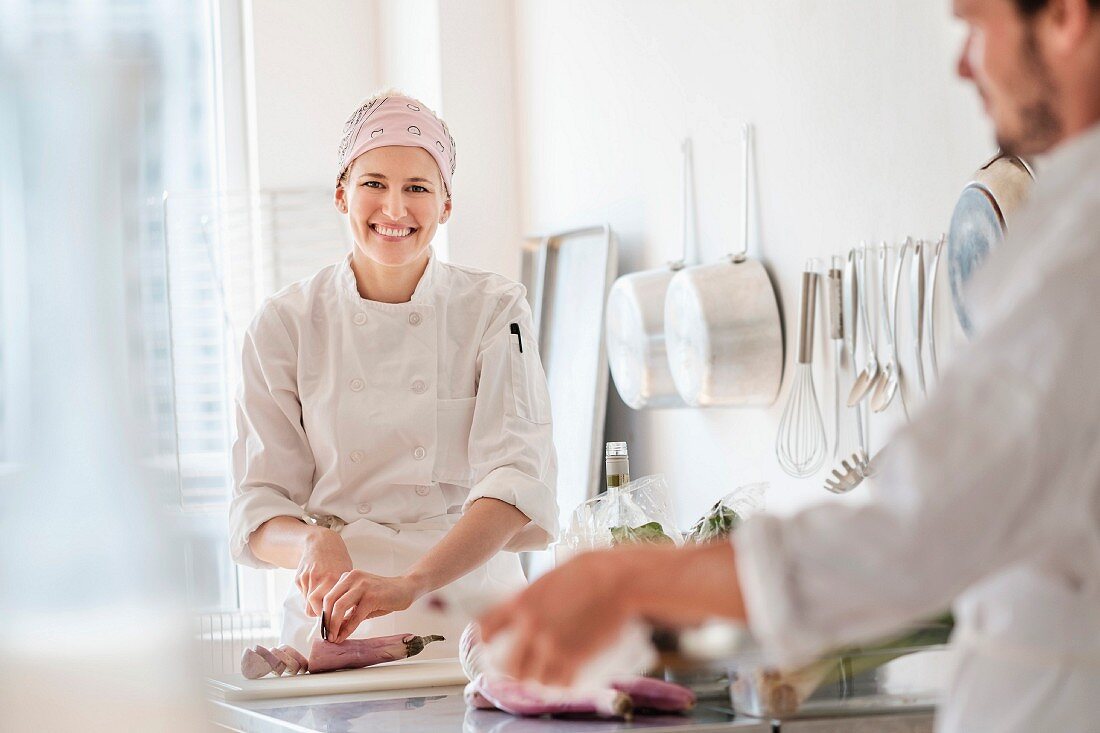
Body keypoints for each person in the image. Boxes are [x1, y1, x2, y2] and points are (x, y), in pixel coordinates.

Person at [480, 0, 1100, 729]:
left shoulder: (1078, 254)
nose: (964, 62)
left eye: (975, 22)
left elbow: (910, 534)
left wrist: (623, 578)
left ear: (1064, 16)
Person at [229, 90, 558, 658]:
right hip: (336, 620)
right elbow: (258, 500)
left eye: (418, 189)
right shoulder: (285, 323)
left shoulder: (494, 309)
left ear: (446, 205)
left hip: (472, 617)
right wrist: (312, 542)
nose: (395, 209)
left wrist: (413, 582)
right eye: (374, 184)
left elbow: (516, 478)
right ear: (341, 194)